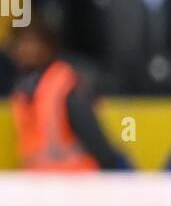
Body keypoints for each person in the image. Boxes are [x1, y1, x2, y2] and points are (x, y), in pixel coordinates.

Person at [10, 16, 129, 171]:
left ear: (48, 46)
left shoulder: (63, 85)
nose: (23, 49)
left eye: (30, 43)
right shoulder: (25, 89)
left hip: (76, 183)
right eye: (19, 43)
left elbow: (98, 144)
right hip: (41, 184)